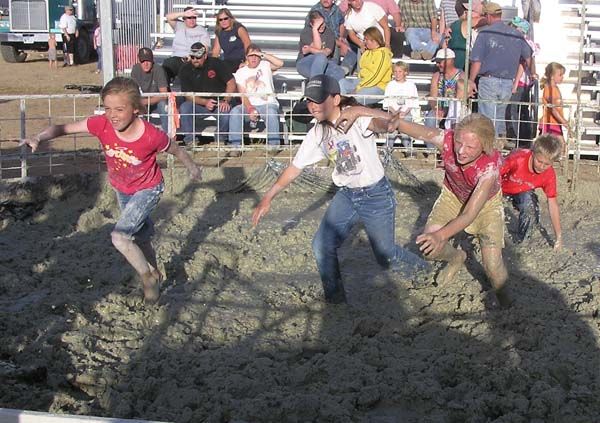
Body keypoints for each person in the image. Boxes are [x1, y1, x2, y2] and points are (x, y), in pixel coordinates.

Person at [19, 77, 202, 303]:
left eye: (119, 109)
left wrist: (192, 168)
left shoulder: (151, 135)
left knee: (120, 237)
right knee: (141, 237)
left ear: (136, 109)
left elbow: (176, 150)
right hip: (122, 187)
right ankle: (155, 272)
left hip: (148, 188)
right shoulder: (101, 124)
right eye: (107, 108)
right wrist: (38, 137)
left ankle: (147, 277)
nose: (112, 115)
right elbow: (63, 129)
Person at [252, 74, 428, 304]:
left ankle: (425, 272)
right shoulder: (317, 132)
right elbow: (295, 167)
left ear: (335, 99)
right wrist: (268, 197)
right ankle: (334, 300)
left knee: (385, 255)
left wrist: (360, 111)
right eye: (310, 101)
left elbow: (387, 123)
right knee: (321, 246)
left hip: (375, 194)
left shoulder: (357, 119)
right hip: (347, 194)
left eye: (318, 100)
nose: (313, 106)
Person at [390, 113, 509, 307]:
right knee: (428, 247)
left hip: (486, 207)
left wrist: (441, 235)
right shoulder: (446, 141)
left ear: (484, 146)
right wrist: (395, 122)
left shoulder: (489, 168)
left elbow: (469, 214)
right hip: (452, 197)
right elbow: (422, 132)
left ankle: (507, 303)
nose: (461, 151)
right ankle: (457, 257)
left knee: (493, 267)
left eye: (470, 147)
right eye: (459, 142)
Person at [469, 1, 532, 140]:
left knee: (487, 119)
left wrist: (471, 80)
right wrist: (533, 73)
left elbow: (477, 61)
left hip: (489, 80)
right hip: (508, 82)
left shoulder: (485, 33)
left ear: (488, 16)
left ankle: (490, 149)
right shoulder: (515, 34)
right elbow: (528, 56)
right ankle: (497, 146)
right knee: (499, 117)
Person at [501, 134, 563, 250]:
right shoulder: (517, 158)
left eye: (547, 164)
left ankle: (522, 243)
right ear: (533, 153)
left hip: (522, 192)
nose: (542, 167)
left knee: (530, 206)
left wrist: (558, 236)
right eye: (539, 161)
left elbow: (553, 204)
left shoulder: (549, 174)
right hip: (500, 187)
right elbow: (492, 176)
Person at [177, 42, 236, 144]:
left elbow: (231, 82)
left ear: (205, 55)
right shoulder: (185, 69)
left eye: (198, 57)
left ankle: (220, 140)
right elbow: (187, 95)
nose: (195, 60)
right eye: (193, 57)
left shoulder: (216, 63)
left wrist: (226, 100)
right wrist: (205, 102)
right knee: (184, 107)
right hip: (198, 104)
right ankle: (190, 140)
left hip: (219, 102)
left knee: (225, 110)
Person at [230, 44, 283, 147]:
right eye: (251, 55)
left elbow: (280, 63)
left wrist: (263, 54)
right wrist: (250, 108)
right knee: (235, 111)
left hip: (268, 103)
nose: (254, 58)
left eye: (256, 55)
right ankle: (235, 146)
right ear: (246, 57)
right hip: (249, 104)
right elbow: (243, 94)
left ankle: (273, 146)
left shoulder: (265, 65)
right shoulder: (241, 72)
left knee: (271, 113)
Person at [339, 26, 392, 105]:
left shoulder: (383, 54)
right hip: (363, 83)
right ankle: (342, 106)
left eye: (366, 40)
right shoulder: (366, 53)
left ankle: (348, 108)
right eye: (364, 39)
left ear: (374, 41)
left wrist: (358, 88)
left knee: (358, 96)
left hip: (378, 86)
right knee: (342, 83)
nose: (364, 42)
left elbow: (376, 76)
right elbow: (361, 71)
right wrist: (359, 86)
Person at [507, 16, 539, 144]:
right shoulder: (528, 42)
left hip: (520, 81)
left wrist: (514, 83)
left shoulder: (522, 43)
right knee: (523, 110)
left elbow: (523, 64)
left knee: (514, 109)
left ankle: (517, 137)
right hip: (525, 81)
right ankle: (524, 138)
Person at [339, 0, 405, 58]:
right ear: (349, 2)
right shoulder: (348, 15)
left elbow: (385, 27)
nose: (357, 2)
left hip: (381, 41)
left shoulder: (372, 7)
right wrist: (361, 44)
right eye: (354, 0)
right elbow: (351, 34)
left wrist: (387, 44)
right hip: (365, 43)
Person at [162, 6, 211, 83]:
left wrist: (193, 56)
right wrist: (183, 13)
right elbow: (168, 17)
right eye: (189, 17)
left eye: (194, 17)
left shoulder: (202, 31)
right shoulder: (179, 25)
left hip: (193, 59)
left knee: (191, 71)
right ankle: (167, 93)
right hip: (177, 58)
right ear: (184, 19)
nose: (192, 20)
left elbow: (205, 48)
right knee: (166, 66)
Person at [308, 0, 357, 73]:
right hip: (323, 43)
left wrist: (341, 37)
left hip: (337, 40)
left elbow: (341, 22)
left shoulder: (337, 9)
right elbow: (310, 32)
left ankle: (343, 70)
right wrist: (339, 43)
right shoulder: (315, 11)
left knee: (352, 52)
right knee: (335, 51)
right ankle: (335, 70)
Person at [296, 10, 345, 81]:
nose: (321, 26)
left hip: (325, 63)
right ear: (311, 24)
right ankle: (315, 86)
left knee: (340, 72)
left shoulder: (329, 33)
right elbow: (318, 47)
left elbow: (327, 52)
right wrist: (315, 30)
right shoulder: (306, 32)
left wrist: (310, 49)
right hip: (305, 62)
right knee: (320, 57)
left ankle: (321, 86)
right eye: (318, 24)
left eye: (322, 23)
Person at [131, 47, 170, 133]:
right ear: (139, 61)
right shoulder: (135, 69)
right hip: (144, 101)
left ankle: (168, 135)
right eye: (143, 61)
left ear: (152, 60)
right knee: (135, 107)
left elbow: (164, 95)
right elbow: (133, 91)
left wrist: (146, 101)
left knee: (163, 106)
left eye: (148, 60)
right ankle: (140, 134)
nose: (145, 64)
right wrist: (141, 102)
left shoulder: (159, 70)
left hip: (158, 101)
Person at [383, 61, 420, 148]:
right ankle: (388, 148)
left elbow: (413, 102)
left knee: (405, 131)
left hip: (406, 113)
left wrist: (404, 112)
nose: (397, 74)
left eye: (400, 71)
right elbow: (387, 102)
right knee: (391, 130)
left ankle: (408, 149)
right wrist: (395, 112)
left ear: (405, 72)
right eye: (395, 71)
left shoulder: (411, 85)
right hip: (392, 112)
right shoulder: (390, 85)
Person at [425, 48, 463, 129]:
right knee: (431, 118)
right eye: (437, 62)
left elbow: (461, 99)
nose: (437, 65)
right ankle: (430, 141)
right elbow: (433, 98)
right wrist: (436, 109)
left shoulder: (462, 75)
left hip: (456, 110)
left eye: (439, 62)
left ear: (449, 61)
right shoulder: (436, 76)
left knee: (457, 118)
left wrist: (447, 110)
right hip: (440, 108)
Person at [540, 62, 569, 158]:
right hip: (550, 122)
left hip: (555, 122)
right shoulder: (550, 89)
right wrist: (563, 121)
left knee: (556, 145)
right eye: (560, 75)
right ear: (552, 76)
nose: (562, 77)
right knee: (560, 145)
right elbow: (553, 109)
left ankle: (554, 162)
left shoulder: (555, 88)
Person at [211, 8, 251, 73]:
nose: (223, 21)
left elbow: (248, 45)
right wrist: (211, 65)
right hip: (227, 61)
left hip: (240, 60)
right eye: (220, 20)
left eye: (225, 18)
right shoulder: (219, 33)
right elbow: (215, 51)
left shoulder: (239, 29)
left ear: (230, 18)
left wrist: (247, 61)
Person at [447, 1, 482, 71]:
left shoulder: (453, 25)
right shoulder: (467, 23)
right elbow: (482, 20)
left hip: (453, 65)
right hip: (462, 66)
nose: (465, 12)